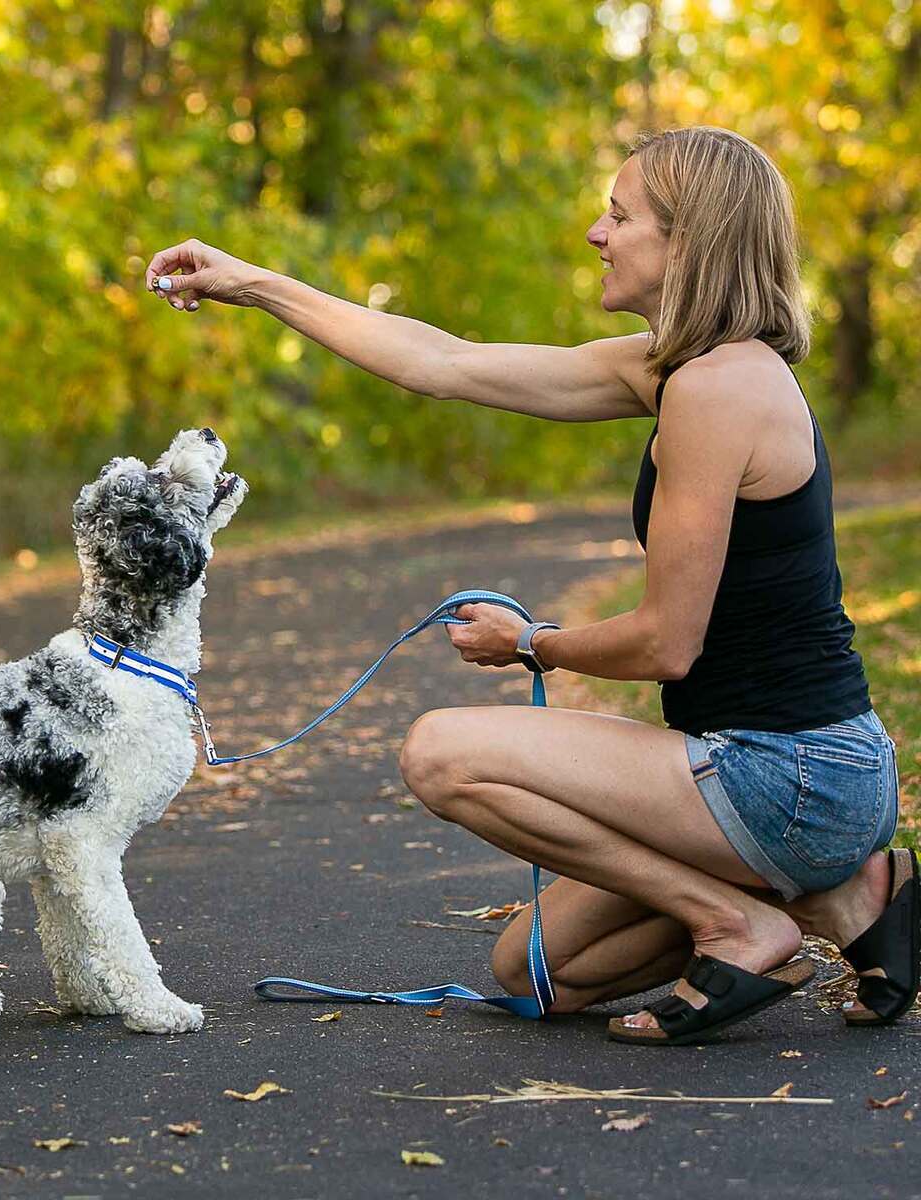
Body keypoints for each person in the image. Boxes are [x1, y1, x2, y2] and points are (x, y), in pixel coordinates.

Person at [144, 126, 912, 1045]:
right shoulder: (678, 371)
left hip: (788, 774)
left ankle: (743, 920)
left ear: (690, 243)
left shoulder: (718, 391)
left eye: (620, 216)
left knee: (441, 753)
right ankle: (848, 893)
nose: (597, 231)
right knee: (541, 972)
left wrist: (532, 645)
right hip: (786, 775)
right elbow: (446, 364)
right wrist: (253, 283)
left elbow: (667, 643)